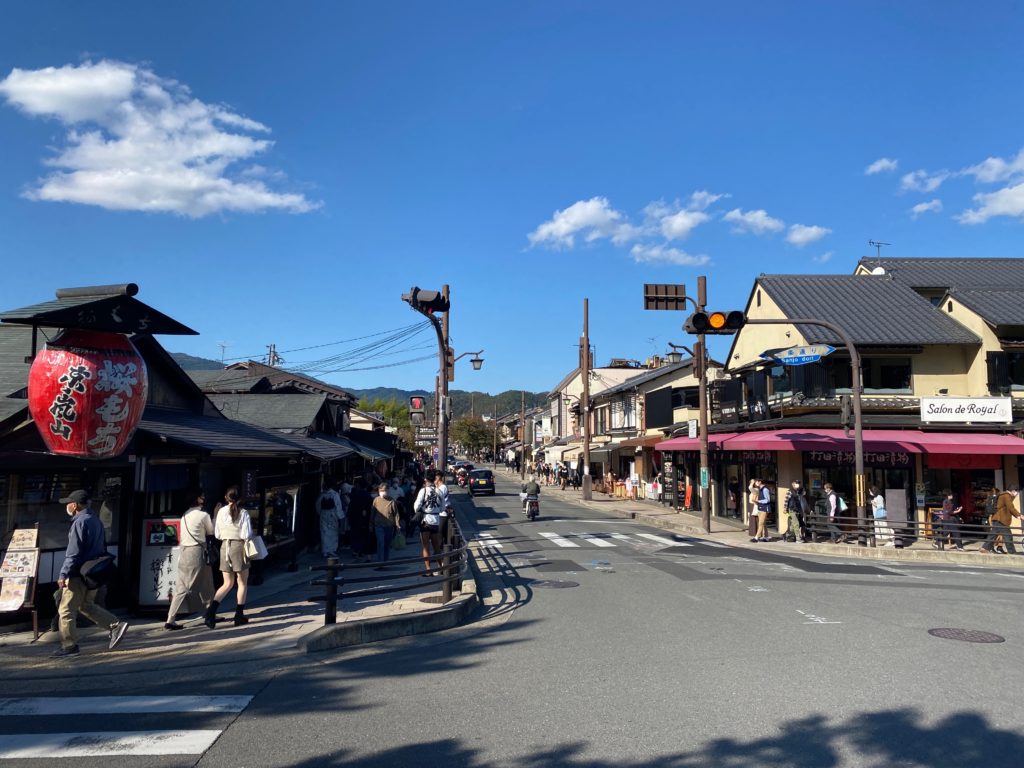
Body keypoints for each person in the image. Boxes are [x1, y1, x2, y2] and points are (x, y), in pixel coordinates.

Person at [52, 490, 129, 657]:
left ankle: (69, 646)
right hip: (94, 572)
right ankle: (115, 625)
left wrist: (63, 574)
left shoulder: (79, 522)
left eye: (69, 503)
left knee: (66, 610)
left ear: (75, 505)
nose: (67, 506)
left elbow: (73, 553)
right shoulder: (95, 519)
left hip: (78, 573)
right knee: (86, 605)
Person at [165, 489, 215, 630]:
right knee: (185, 587)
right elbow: (211, 532)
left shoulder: (185, 515)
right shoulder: (203, 515)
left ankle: (209, 613)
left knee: (207, 584)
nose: (204, 498)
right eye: (202, 496)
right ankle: (170, 619)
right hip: (198, 552)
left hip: (185, 551)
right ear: (198, 499)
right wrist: (216, 517)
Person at [205, 486, 253, 628]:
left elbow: (217, 534)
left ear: (226, 498)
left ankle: (210, 613)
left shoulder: (220, 512)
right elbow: (246, 534)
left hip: (225, 546)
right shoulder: (243, 513)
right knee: (242, 582)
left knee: (227, 583)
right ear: (240, 498)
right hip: (239, 546)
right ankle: (239, 615)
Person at [414, 470, 443, 576]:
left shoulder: (423, 491)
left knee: (426, 546)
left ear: (426, 479)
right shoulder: (438, 491)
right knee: (436, 547)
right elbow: (443, 507)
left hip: (425, 520)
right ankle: (441, 567)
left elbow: (416, 506)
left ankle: (428, 570)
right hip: (436, 520)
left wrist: (420, 509)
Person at [980, 486, 1019, 555]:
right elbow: (1011, 507)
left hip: (996, 518)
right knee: (1008, 535)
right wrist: (1019, 515)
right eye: (1016, 491)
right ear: (1012, 491)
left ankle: (985, 547)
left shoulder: (1003, 495)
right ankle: (1012, 552)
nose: (1017, 493)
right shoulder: (1006, 496)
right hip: (1001, 519)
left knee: (993, 534)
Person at [371, 483, 401, 562]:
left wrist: (397, 525)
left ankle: (385, 560)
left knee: (387, 544)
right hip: (378, 526)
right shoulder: (376, 500)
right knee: (380, 543)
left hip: (389, 526)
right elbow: (372, 513)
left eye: (384, 490)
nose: (382, 492)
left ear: (388, 490)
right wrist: (370, 524)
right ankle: (380, 562)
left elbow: (396, 514)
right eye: (381, 490)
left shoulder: (391, 501)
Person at [317, 480, 345, 558]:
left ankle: (325, 551)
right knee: (333, 533)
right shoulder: (335, 494)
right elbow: (338, 506)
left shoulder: (322, 495)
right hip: (332, 515)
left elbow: (318, 506)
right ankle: (332, 550)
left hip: (323, 514)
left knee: (324, 533)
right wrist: (340, 516)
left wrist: (320, 513)